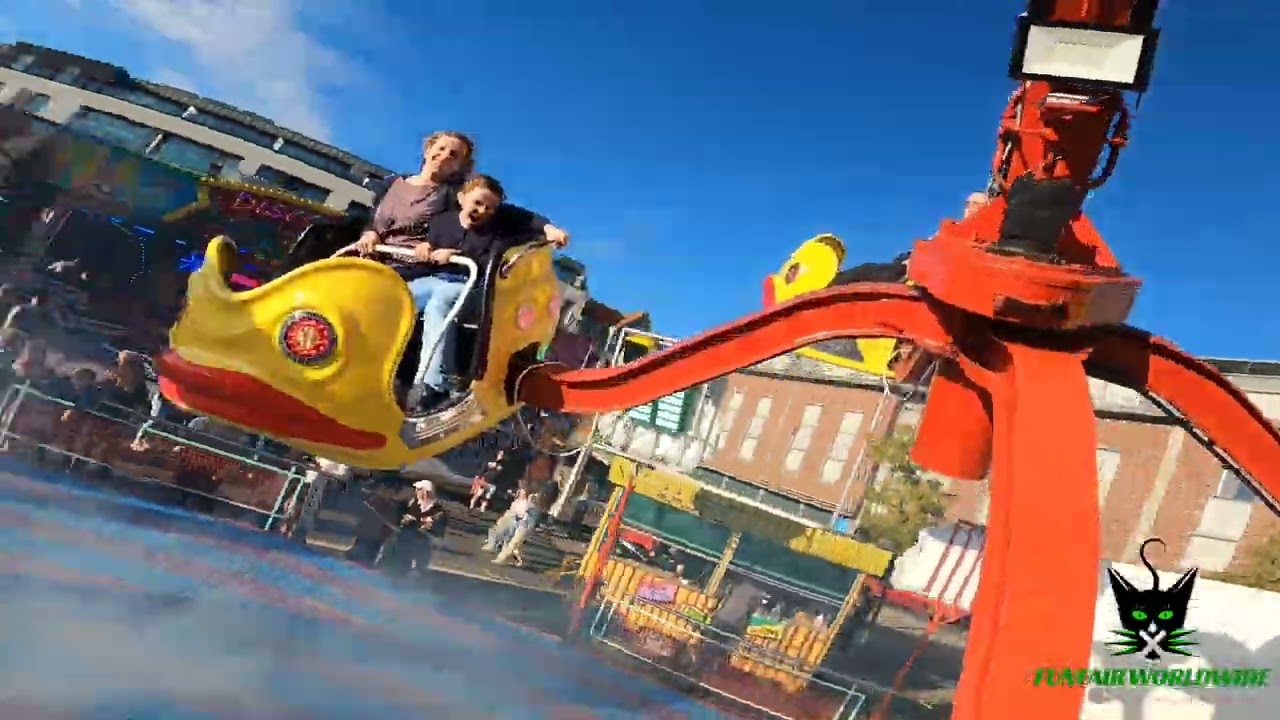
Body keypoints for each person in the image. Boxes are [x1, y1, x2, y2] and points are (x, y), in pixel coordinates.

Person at [396, 175, 548, 412]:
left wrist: (456, 254)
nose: (482, 211)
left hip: (468, 285)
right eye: (478, 203)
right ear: (462, 198)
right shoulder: (442, 222)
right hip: (434, 278)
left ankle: (435, 385)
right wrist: (425, 247)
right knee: (398, 296)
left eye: (490, 208)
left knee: (439, 304)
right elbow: (428, 247)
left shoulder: (494, 234)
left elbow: (522, 227)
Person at [379, 479, 448, 578]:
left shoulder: (437, 513)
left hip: (413, 544)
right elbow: (391, 521)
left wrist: (420, 528)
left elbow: (438, 538)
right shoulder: (406, 505)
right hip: (404, 541)